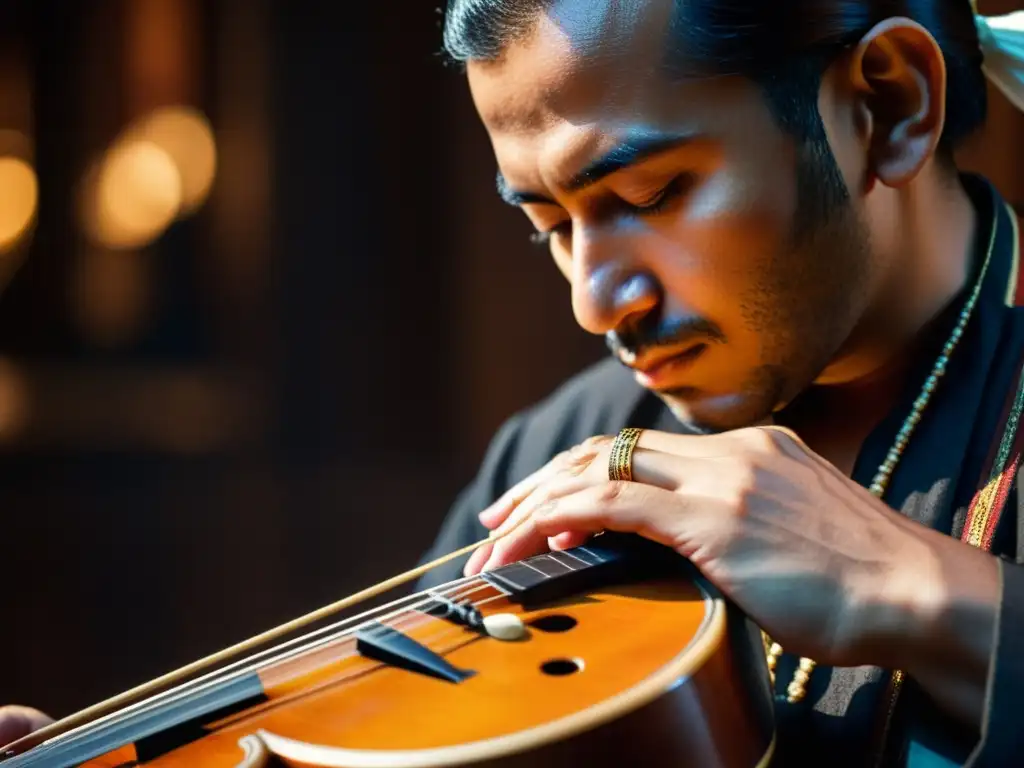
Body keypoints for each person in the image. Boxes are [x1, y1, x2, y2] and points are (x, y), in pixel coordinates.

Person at [3, 1, 1022, 766]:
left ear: (887, 102)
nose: (593, 299)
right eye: (547, 226)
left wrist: (924, 595)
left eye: (648, 193)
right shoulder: (571, 443)